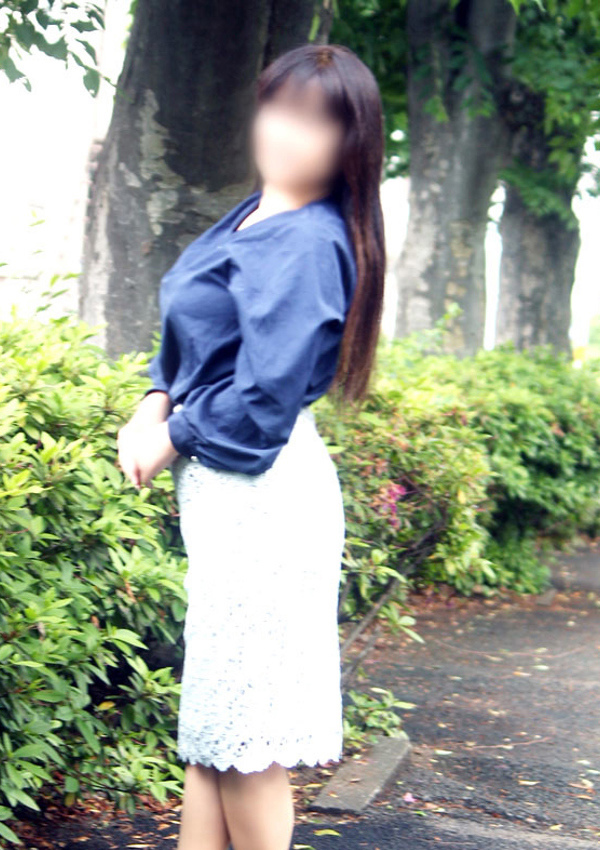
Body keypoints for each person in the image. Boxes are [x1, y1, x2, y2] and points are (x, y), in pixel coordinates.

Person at [117, 42, 386, 850]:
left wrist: (173, 435)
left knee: (244, 744)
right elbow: (198, 342)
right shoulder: (249, 217)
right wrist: (154, 401)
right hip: (229, 494)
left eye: (317, 122)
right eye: (280, 108)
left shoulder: (306, 241)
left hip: (262, 496)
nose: (289, 132)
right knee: (214, 736)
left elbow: (265, 397)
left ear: (350, 145)